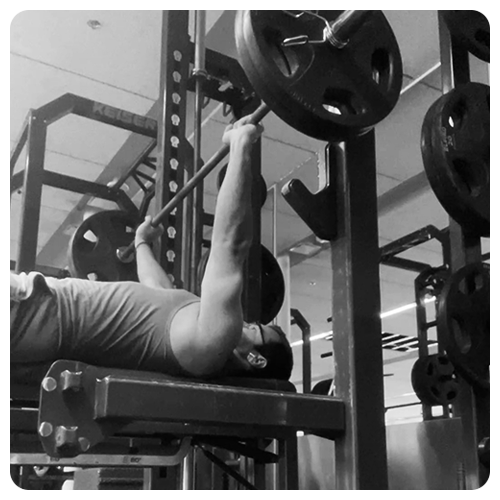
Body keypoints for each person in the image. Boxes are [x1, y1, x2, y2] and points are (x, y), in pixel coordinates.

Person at [10, 115, 293, 385]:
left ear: (255, 359)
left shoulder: (215, 342)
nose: (245, 321)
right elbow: (158, 288)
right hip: (39, 316)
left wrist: (242, 144)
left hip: (35, 312)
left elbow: (230, 246)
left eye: (256, 329)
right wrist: (142, 242)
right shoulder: (191, 341)